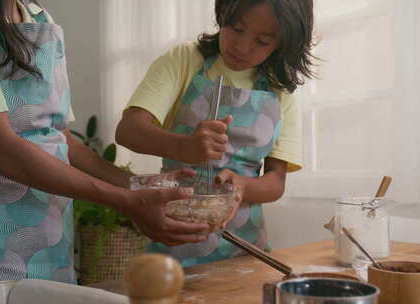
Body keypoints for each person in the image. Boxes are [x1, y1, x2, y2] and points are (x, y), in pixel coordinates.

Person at [0, 0, 210, 301]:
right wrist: (125, 201)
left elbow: (58, 137)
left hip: (41, 242)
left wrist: (138, 185)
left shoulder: (38, 17)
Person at [116, 0, 316, 267]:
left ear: (282, 43)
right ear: (223, 14)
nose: (242, 47)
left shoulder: (281, 90)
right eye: (236, 28)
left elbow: (275, 182)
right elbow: (129, 131)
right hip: (175, 241)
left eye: (262, 41)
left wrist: (242, 186)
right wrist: (184, 146)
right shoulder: (185, 60)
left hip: (245, 249)